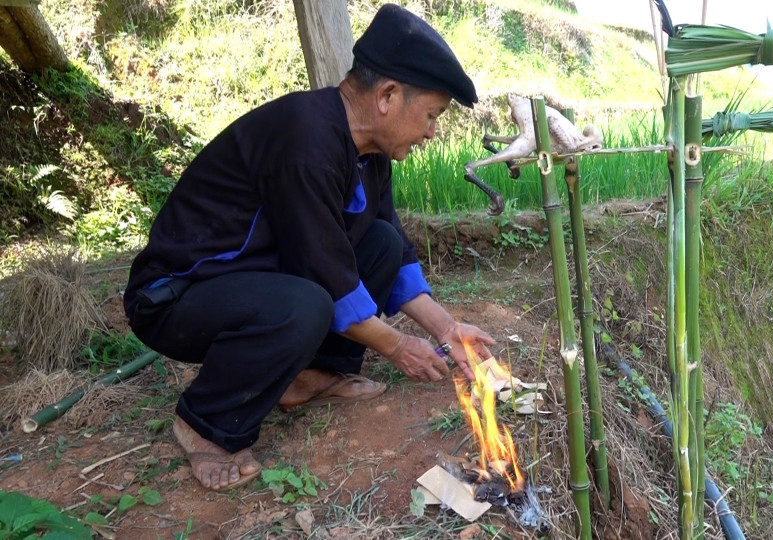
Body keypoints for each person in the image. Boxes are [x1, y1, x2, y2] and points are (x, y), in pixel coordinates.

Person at [123, 3, 495, 491]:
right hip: (179, 294)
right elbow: (327, 273)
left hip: (258, 282)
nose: (431, 132)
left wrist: (447, 329)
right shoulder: (305, 137)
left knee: (379, 243)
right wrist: (398, 345)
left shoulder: (371, 154)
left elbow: (394, 252)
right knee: (306, 304)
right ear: (387, 96)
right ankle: (205, 422)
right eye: (430, 115)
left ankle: (311, 377)